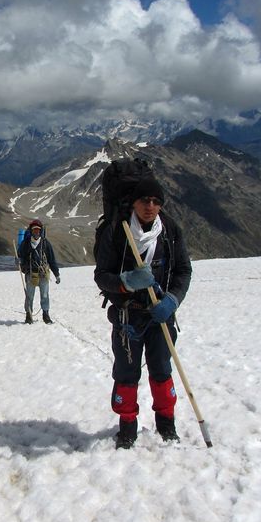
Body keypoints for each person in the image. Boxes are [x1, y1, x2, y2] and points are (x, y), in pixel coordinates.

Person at [93, 178, 192, 449]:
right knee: (126, 373)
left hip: (160, 315)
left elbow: (183, 270)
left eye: (156, 201)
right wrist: (125, 283)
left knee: (162, 369)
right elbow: (101, 275)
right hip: (129, 316)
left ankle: (166, 424)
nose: (150, 206)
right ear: (134, 202)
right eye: (145, 200)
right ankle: (127, 428)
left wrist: (172, 299)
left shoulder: (169, 230)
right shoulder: (118, 231)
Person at [17, 219, 60, 324]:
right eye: (34, 230)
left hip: (43, 274)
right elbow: (20, 256)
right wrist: (18, 260)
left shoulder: (45, 243)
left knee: (45, 295)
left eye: (38, 230)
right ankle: (28, 315)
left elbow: (52, 259)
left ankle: (46, 315)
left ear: (41, 231)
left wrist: (57, 274)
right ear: (31, 231)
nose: (36, 232)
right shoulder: (26, 243)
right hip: (30, 273)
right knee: (29, 296)